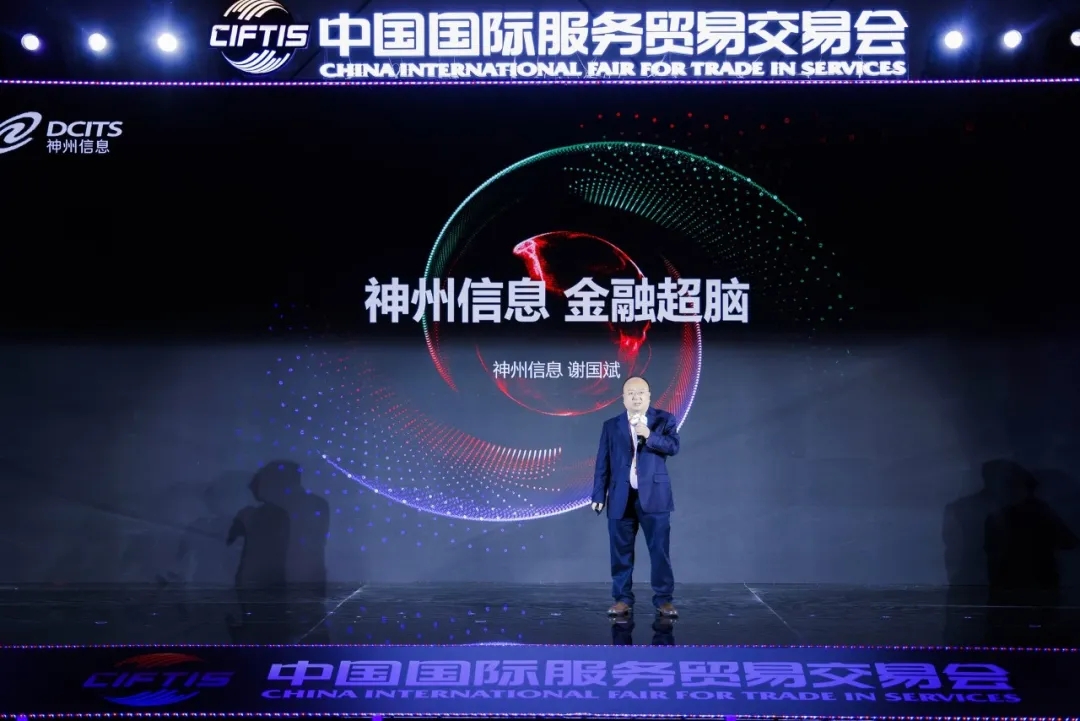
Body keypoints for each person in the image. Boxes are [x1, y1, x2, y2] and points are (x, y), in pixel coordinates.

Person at [592, 376, 680, 618]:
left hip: (655, 497)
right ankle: (622, 599)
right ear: (623, 398)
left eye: (641, 392)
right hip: (620, 497)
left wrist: (648, 435)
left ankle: (664, 600)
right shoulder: (611, 425)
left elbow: (673, 447)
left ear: (649, 396)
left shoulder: (664, 420)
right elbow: (602, 462)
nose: (636, 397)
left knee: (659, 551)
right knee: (620, 552)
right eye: (630, 393)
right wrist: (598, 494)